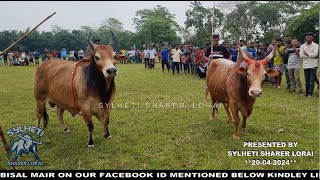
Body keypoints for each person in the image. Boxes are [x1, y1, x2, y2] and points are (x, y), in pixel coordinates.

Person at [300, 32, 319, 98]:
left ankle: (310, 93)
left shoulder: (316, 45)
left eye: (309, 37)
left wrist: (307, 54)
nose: (308, 39)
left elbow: (315, 54)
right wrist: (310, 55)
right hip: (305, 65)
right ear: (305, 38)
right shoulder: (302, 46)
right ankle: (307, 93)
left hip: (313, 65)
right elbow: (301, 55)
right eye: (307, 37)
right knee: (307, 80)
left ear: (312, 38)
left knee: (312, 80)